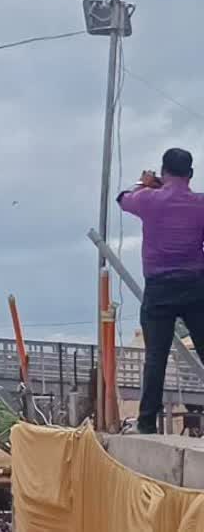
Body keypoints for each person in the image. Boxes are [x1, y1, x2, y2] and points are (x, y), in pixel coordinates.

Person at [118, 148, 204, 433]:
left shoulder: (148, 199)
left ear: (163, 171)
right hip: (195, 284)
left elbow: (122, 198)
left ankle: (146, 423)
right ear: (190, 175)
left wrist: (146, 183)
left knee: (156, 355)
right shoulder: (200, 204)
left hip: (159, 287)